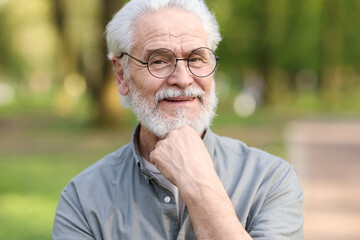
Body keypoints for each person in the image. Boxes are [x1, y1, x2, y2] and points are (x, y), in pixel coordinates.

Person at [52, 0, 304, 239]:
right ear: (121, 74)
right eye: (159, 61)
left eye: (196, 59)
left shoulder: (270, 181)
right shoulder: (83, 200)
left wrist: (197, 181)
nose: (183, 79)